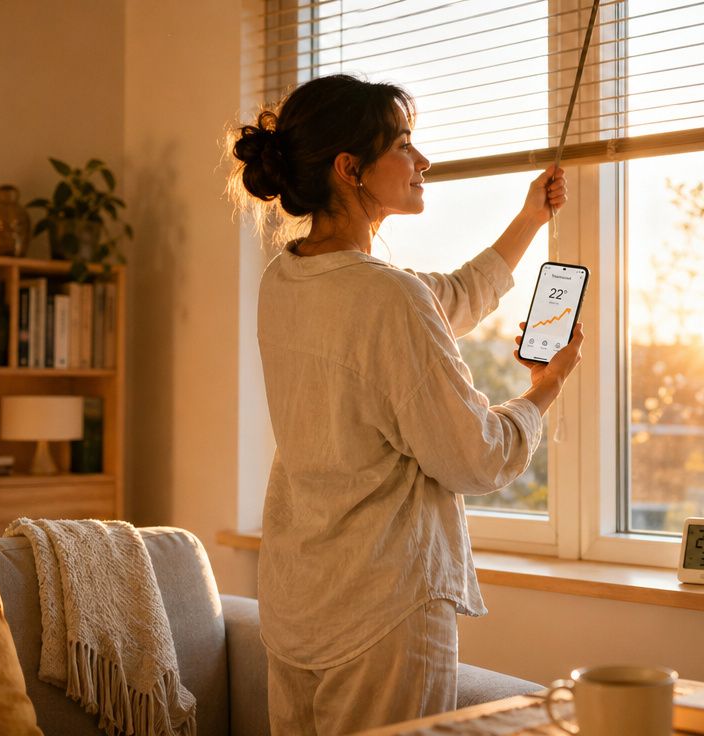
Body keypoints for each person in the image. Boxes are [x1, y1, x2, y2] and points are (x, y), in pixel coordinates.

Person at [228, 73, 583, 735]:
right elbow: (475, 458)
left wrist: (531, 218)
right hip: (381, 611)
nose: (424, 163)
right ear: (349, 167)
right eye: (405, 145)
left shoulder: (287, 278)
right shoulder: (387, 298)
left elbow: (447, 298)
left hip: (297, 602)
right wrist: (546, 388)